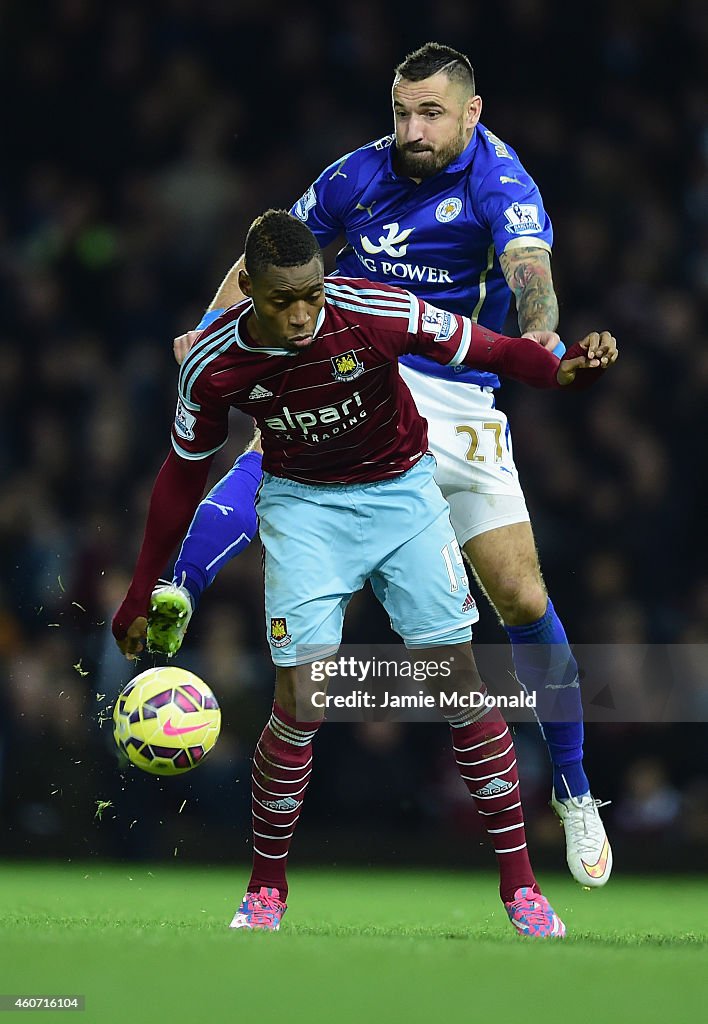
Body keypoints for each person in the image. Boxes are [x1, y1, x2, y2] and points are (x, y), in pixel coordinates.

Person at [160, 42, 613, 887]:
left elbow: (530, 271)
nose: (411, 129)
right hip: (367, 360)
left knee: (522, 595)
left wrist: (543, 330)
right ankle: (178, 582)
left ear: (471, 113)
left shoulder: (501, 184)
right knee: (279, 441)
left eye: (430, 113)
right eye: (402, 112)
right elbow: (268, 257)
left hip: (464, 390)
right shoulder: (355, 175)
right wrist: (207, 323)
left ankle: (577, 792)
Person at [112, 210, 617, 935]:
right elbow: (180, 477)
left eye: (311, 294)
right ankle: (266, 893)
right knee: (301, 700)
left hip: (403, 497)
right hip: (303, 510)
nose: (301, 314)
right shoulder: (214, 362)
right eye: (282, 300)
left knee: (459, 685)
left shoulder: (369, 308)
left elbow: (488, 344)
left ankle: (522, 890)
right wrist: (141, 589)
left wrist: (557, 368)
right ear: (246, 288)